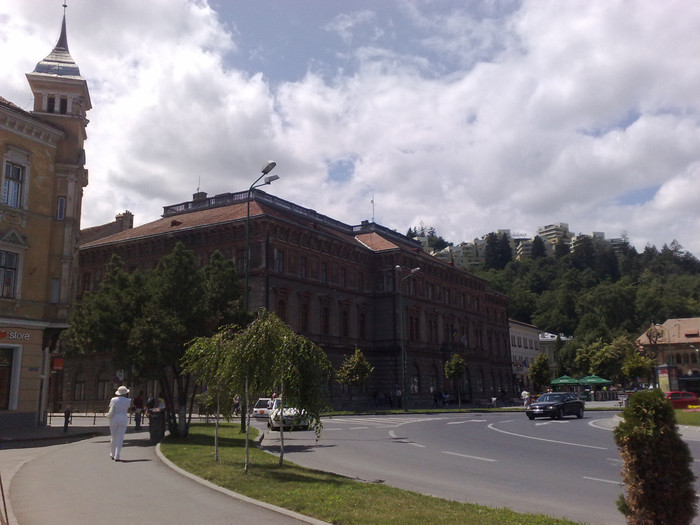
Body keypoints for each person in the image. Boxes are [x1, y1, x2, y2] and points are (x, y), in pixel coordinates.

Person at [107, 385, 131, 461]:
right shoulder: (128, 400)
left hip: (113, 418)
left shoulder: (113, 399)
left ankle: (112, 454)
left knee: (113, 436)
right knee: (120, 437)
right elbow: (128, 408)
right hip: (123, 418)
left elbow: (111, 408)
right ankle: (117, 455)